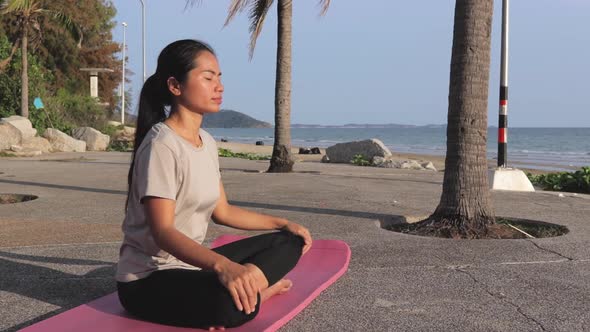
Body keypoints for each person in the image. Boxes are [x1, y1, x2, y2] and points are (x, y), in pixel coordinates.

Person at [116, 39, 312, 330]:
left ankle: (245, 292)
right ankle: (256, 292)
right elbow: (163, 233)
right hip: (148, 280)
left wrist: (283, 223)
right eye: (208, 78)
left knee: (289, 242)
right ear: (175, 85)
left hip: (190, 265)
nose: (219, 87)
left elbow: (223, 211)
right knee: (228, 307)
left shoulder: (206, 143)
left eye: (219, 78)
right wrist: (224, 266)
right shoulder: (161, 145)